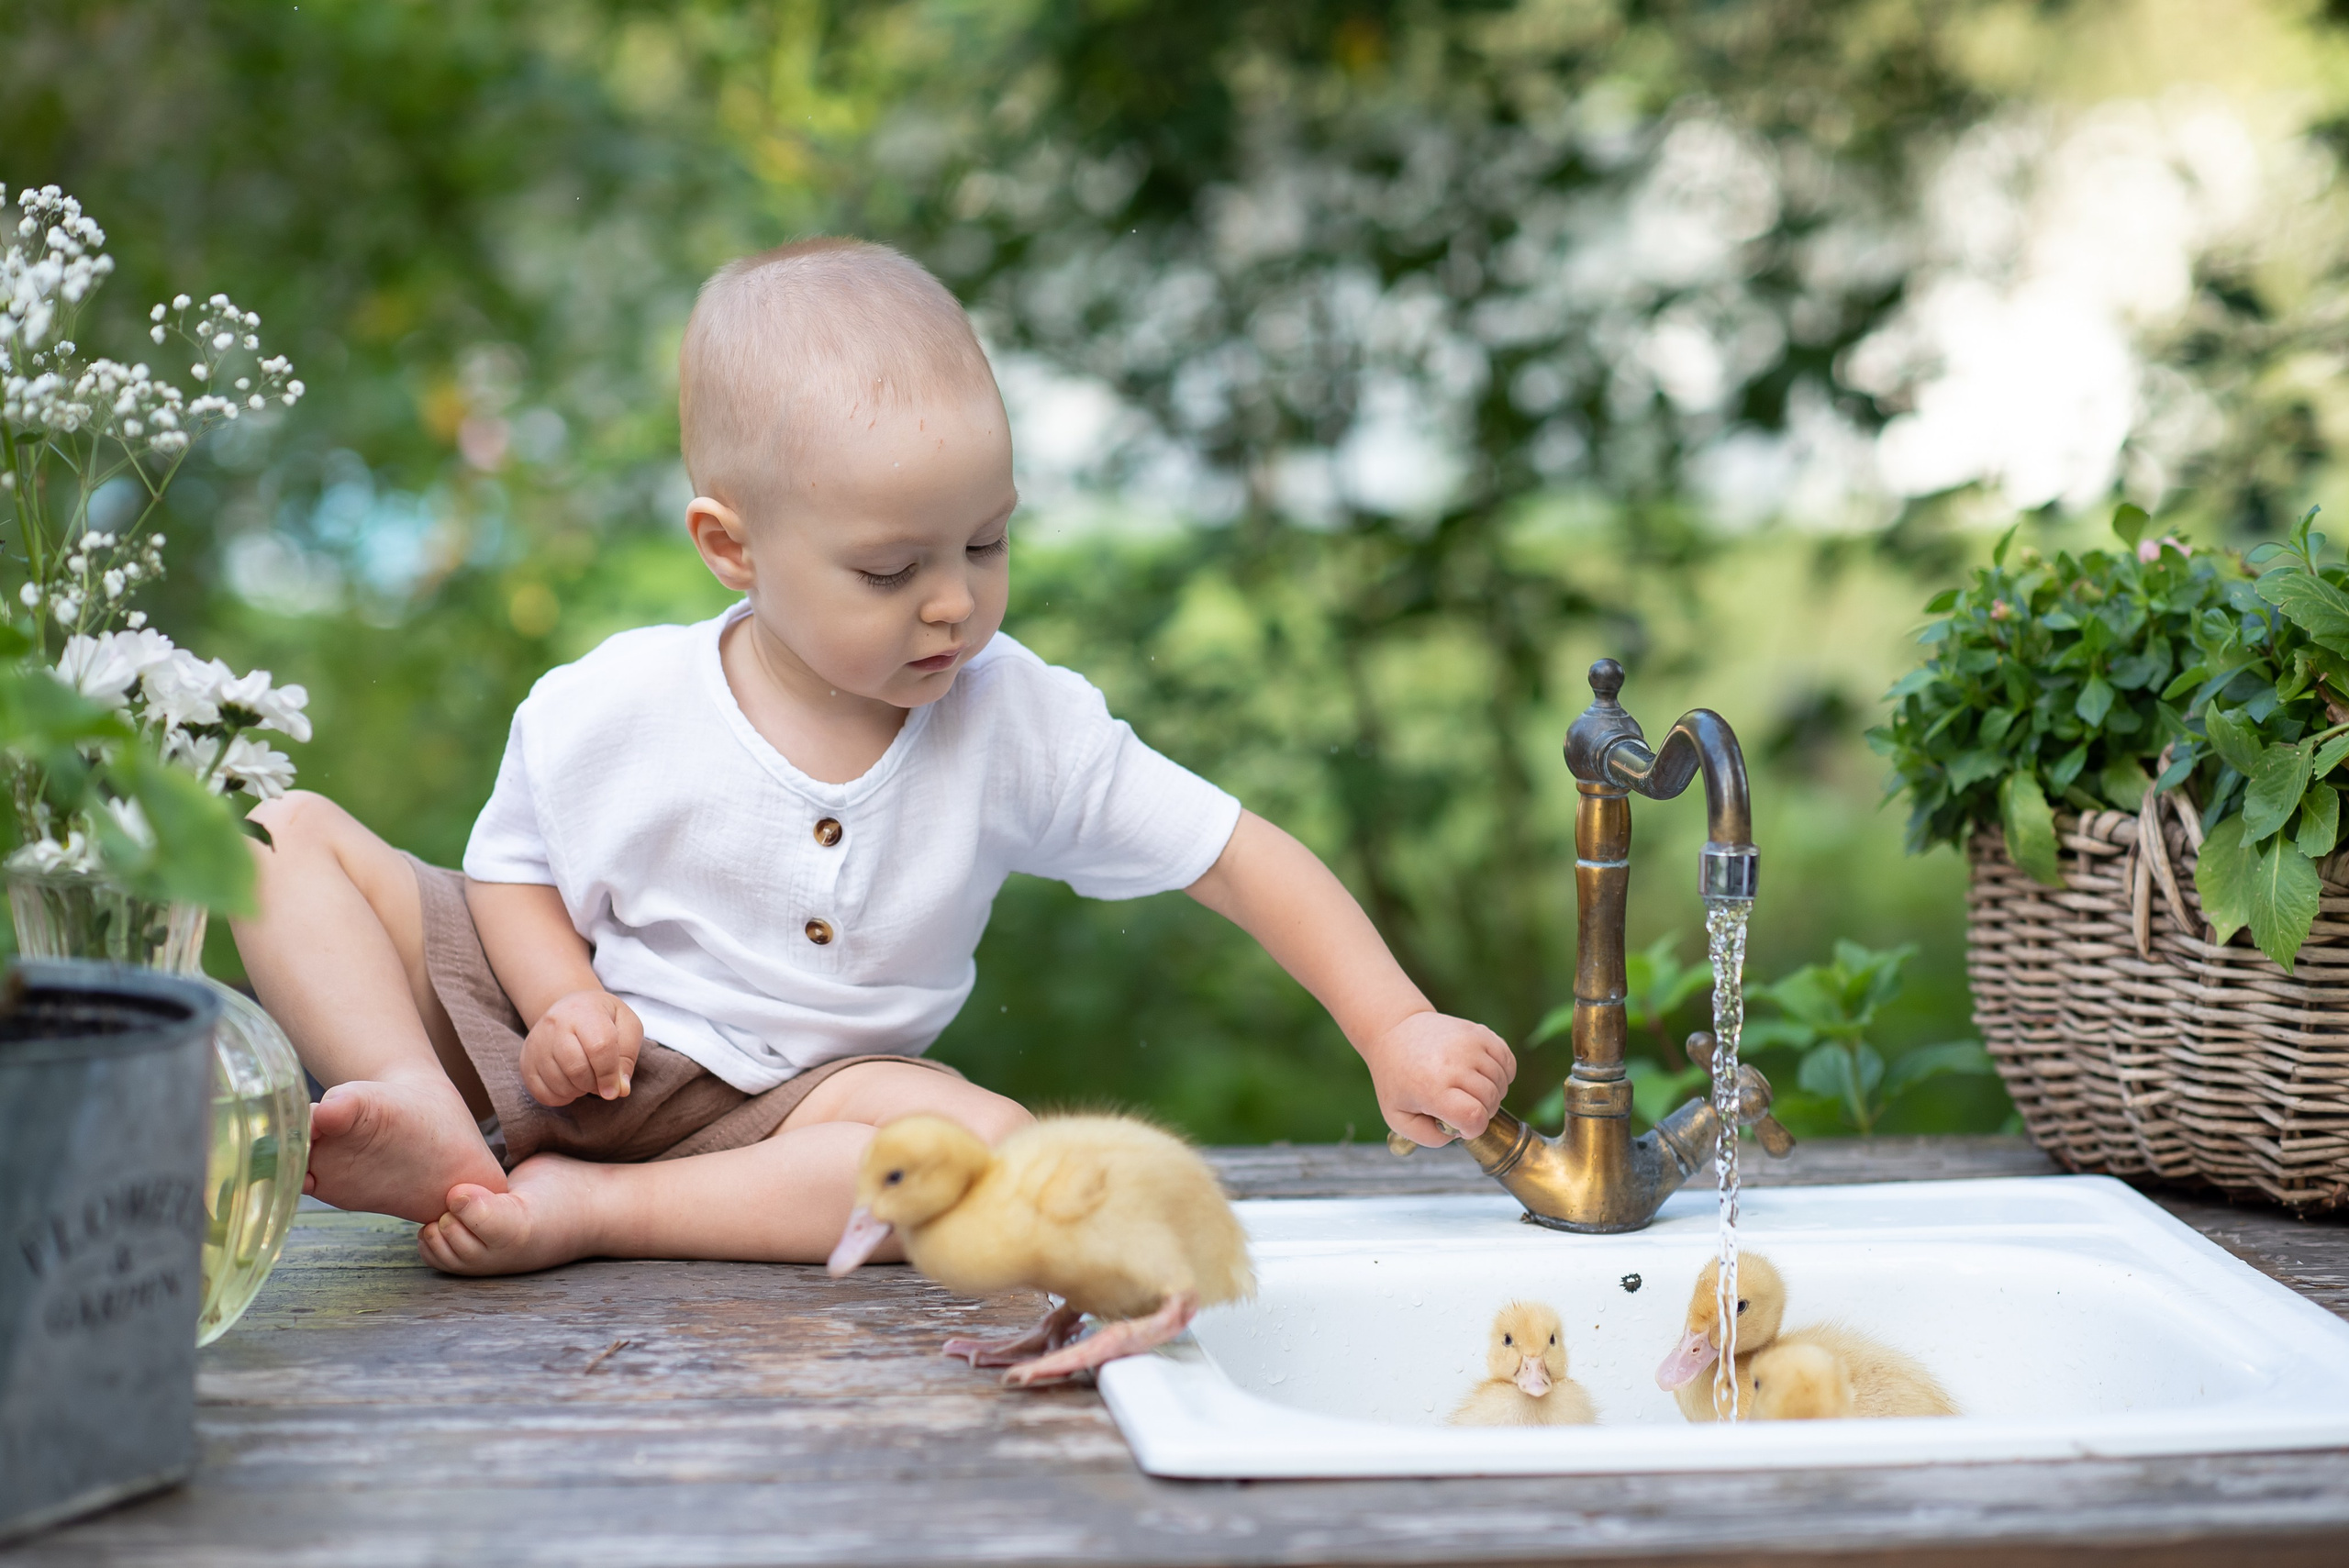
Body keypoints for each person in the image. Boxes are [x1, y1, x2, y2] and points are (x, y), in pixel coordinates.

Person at [232, 238, 1516, 1275]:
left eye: (987, 543)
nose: (952, 603)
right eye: (892, 568)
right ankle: (419, 1110)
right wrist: (562, 993)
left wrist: (1392, 1022)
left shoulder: (1016, 721)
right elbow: (509, 870)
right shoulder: (615, 702)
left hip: (800, 1111)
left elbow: (1234, 858)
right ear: (731, 546)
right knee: (275, 830)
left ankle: (588, 1210)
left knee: (988, 1160)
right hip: (566, 1032)